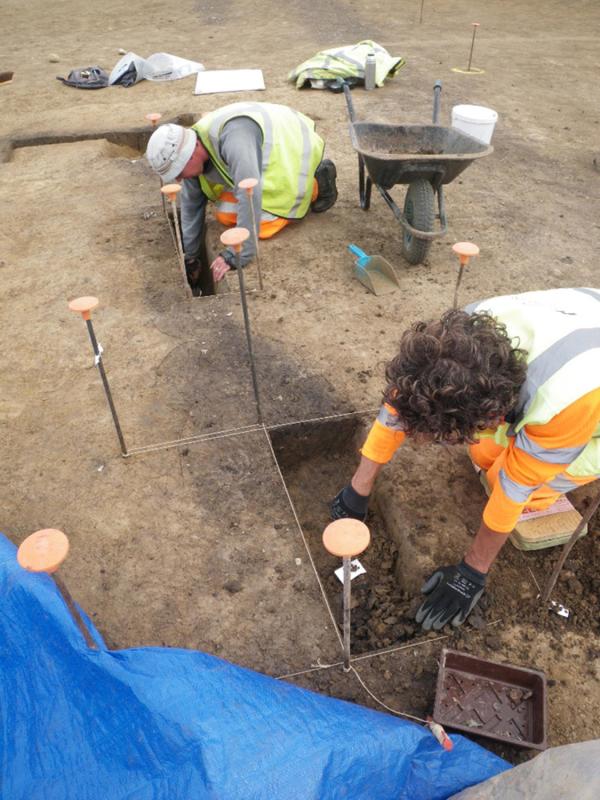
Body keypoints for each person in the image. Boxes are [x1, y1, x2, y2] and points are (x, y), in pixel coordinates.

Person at [331, 288, 600, 631]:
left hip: (588, 402)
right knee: (483, 454)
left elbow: (514, 489)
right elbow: (398, 408)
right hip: (585, 325)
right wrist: (359, 486)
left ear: (490, 416)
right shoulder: (451, 343)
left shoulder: (563, 400)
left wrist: (472, 571)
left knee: (513, 484)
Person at [145, 102, 337, 288]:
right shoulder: (194, 142)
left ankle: (318, 183)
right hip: (257, 156)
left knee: (252, 220)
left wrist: (237, 254)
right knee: (226, 210)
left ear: (191, 153)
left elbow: (248, 195)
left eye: (178, 172)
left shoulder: (235, 139)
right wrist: (191, 255)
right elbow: (191, 203)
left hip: (292, 148)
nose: (178, 180)